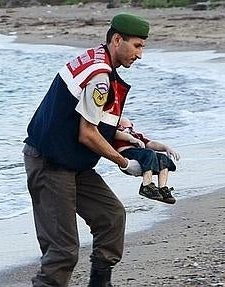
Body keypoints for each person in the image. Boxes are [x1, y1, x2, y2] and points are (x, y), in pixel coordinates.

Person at [22, 13, 150, 287]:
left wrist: (142, 142)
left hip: (72, 162)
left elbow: (93, 122)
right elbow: (87, 134)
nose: (140, 55)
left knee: (111, 217)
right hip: (50, 163)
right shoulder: (100, 79)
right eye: (137, 46)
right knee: (63, 252)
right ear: (117, 40)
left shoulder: (96, 59)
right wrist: (124, 163)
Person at [113, 117, 180, 204]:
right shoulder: (116, 134)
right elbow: (114, 133)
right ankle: (146, 185)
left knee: (163, 158)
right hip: (126, 154)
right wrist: (130, 138)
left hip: (142, 156)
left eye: (129, 128)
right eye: (123, 128)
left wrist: (166, 148)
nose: (127, 130)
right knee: (149, 153)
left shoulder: (137, 135)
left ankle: (162, 189)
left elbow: (151, 143)